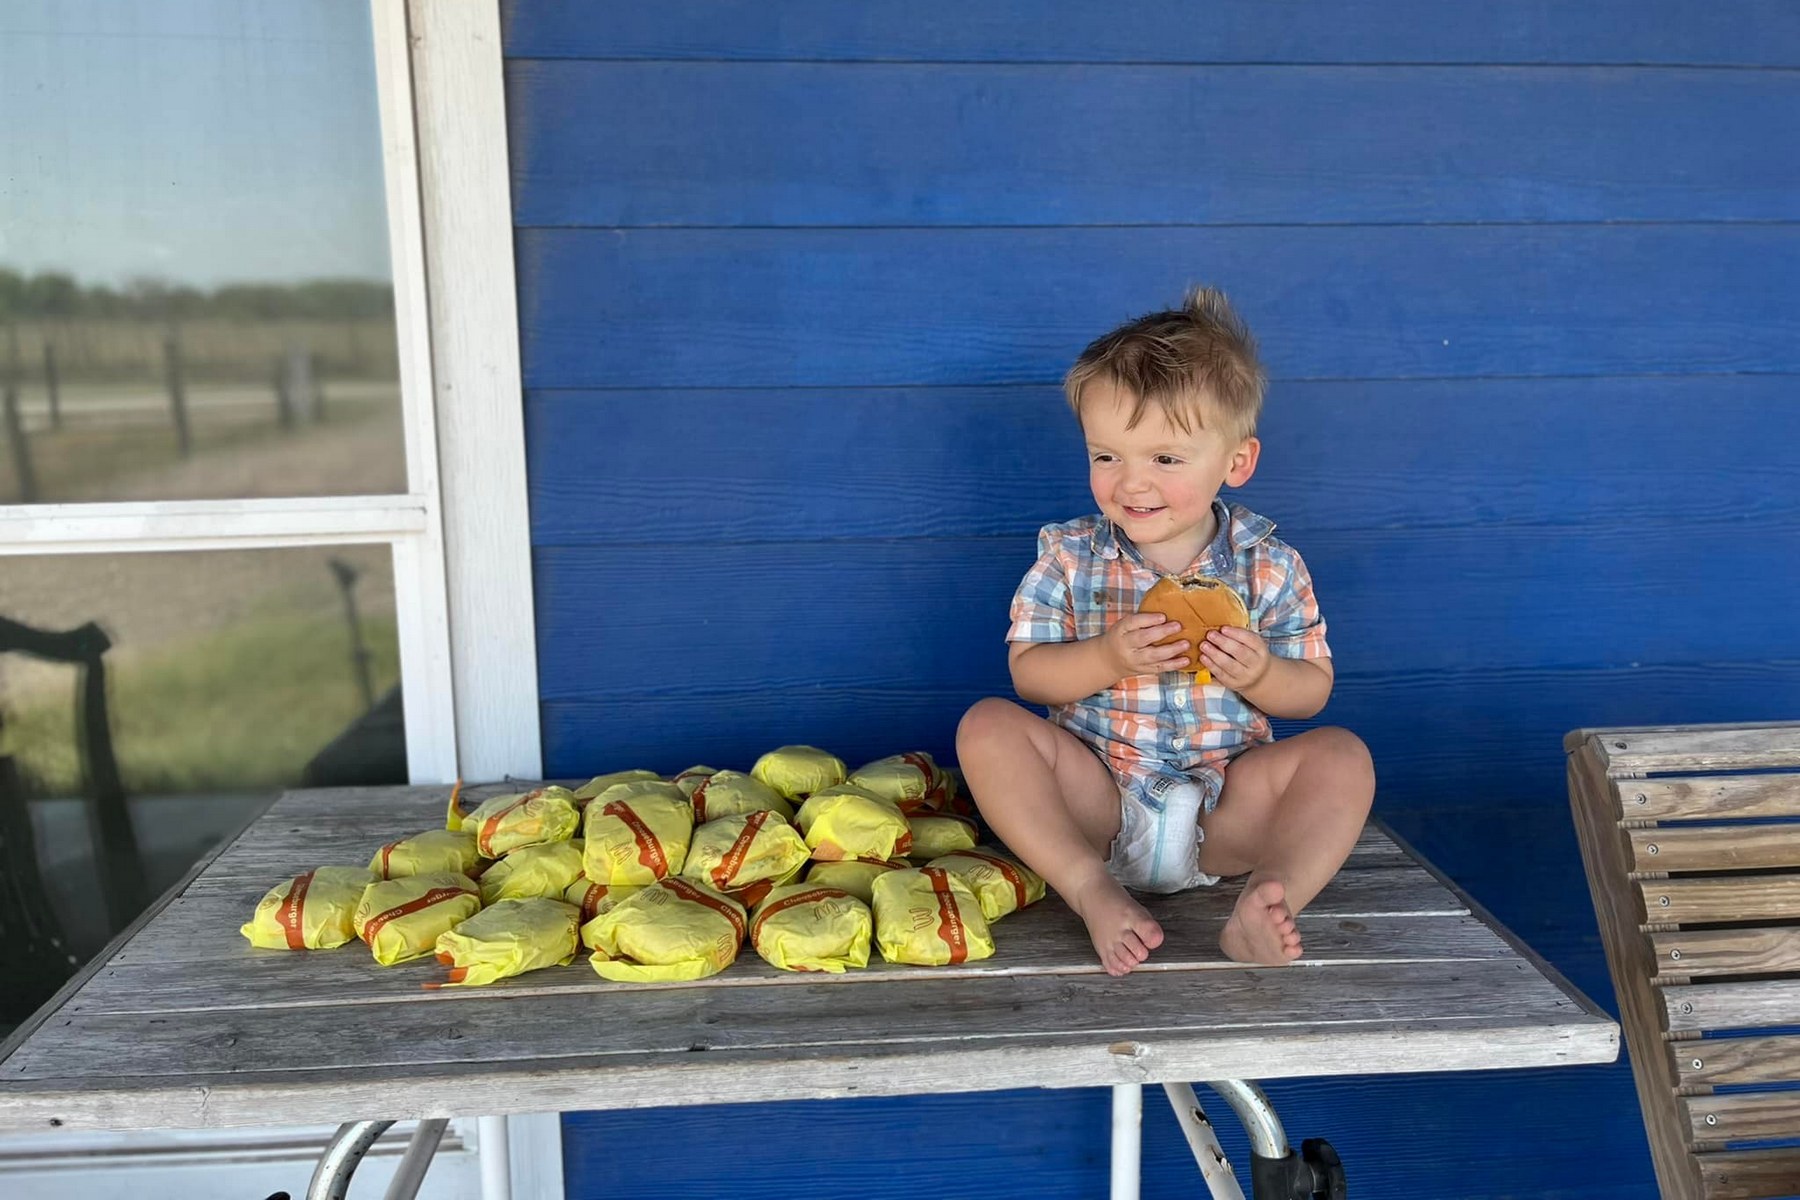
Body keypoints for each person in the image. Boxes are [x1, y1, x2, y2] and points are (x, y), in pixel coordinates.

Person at [955, 287, 1375, 976]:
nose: (1131, 483)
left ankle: (1270, 899)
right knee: (986, 727)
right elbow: (1028, 675)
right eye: (1107, 456)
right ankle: (1089, 888)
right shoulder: (1070, 556)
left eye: (1166, 460)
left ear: (1235, 463)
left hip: (1225, 810)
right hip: (1097, 800)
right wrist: (1107, 655)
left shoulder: (1268, 566)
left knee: (1342, 758)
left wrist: (1263, 675)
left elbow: (1311, 694)